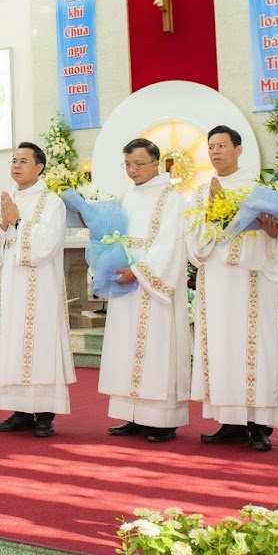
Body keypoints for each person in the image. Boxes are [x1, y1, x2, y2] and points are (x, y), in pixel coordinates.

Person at [186, 126, 278, 451]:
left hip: (251, 281)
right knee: (221, 345)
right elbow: (192, 239)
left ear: (239, 150)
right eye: (211, 146)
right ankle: (230, 421)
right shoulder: (201, 193)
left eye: (222, 146)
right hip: (216, 279)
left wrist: (273, 235)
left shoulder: (258, 190)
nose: (215, 152)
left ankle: (259, 425)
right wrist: (213, 217)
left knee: (254, 347)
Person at [100, 138, 190, 442]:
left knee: (156, 350)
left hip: (153, 287)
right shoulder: (127, 196)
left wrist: (139, 271)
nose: (133, 170)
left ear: (156, 164)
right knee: (125, 348)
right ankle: (133, 415)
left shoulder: (172, 198)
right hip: (125, 285)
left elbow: (170, 245)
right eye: (127, 164)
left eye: (139, 164)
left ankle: (163, 421)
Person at [0, 142, 74, 437]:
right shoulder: (5, 200)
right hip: (10, 285)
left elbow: (48, 244)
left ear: (39, 167)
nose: (16, 165)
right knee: (13, 343)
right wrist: (2, 226)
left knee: (41, 344)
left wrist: (18, 222)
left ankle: (45, 414)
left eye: (23, 161)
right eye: (14, 160)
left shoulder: (52, 202)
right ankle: (20, 410)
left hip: (40, 288)